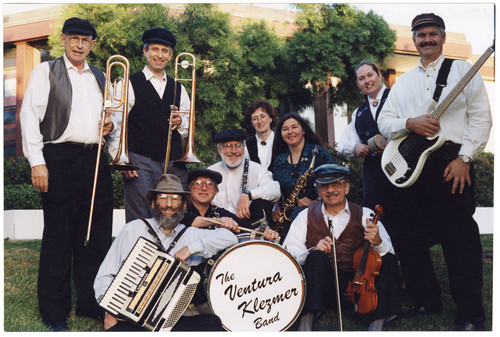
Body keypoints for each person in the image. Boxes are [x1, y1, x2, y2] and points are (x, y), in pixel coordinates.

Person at [377, 13, 492, 330]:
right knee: (408, 238)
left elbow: (481, 119)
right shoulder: (403, 84)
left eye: (432, 34)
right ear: (413, 40)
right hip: (412, 167)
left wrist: (465, 158)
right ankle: (427, 300)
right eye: (420, 35)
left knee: (460, 239)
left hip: (450, 163)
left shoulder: (463, 71)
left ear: (442, 37)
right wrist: (409, 123)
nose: (426, 40)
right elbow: (384, 123)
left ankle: (470, 315)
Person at [19, 17, 113, 331]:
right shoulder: (45, 71)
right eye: (74, 38)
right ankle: (54, 312)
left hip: (94, 159)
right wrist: (37, 162)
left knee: (95, 236)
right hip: (58, 157)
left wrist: (109, 128)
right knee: (59, 237)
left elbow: (108, 123)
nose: (79, 45)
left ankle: (90, 302)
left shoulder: (101, 76)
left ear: (93, 44)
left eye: (86, 40)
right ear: (63, 39)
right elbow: (30, 117)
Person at [94, 174, 238, 331]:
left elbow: (229, 237)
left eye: (175, 199)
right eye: (163, 198)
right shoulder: (134, 229)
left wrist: (190, 248)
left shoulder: (190, 234)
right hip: (129, 318)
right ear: (153, 203)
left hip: (168, 322)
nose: (169, 204)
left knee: (212, 323)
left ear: (184, 206)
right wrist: (110, 312)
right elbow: (105, 275)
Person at [283, 164, 401, 331]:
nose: (330, 190)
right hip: (321, 288)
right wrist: (312, 250)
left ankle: (377, 320)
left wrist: (378, 241)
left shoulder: (366, 214)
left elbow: (390, 253)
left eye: (337, 184)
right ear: (318, 191)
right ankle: (305, 323)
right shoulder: (305, 216)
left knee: (387, 259)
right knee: (315, 257)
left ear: (346, 188)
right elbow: (289, 254)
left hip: (359, 287)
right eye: (324, 186)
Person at [108, 27, 191, 223]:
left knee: (175, 215)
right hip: (140, 161)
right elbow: (115, 124)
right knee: (141, 216)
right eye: (155, 49)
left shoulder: (179, 87)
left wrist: (181, 122)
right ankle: (140, 253)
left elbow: (187, 128)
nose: (159, 55)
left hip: (174, 162)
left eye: (164, 51)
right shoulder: (128, 83)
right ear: (145, 52)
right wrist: (121, 159)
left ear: (170, 56)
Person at [338, 61, 401, 245]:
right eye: (361, 78)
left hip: (401, 167)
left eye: (370, 75)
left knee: (404, 218)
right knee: (375, 220)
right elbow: (344, 144)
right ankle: (382, 262)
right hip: (374, 174)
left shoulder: (397, 98)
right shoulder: (359, 112)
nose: (367, 81)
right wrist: (356, 148)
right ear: (358, 84)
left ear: (379, 75)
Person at [271, 113, 333, 238]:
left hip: (316, 216)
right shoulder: (280, 160)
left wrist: (315, 202)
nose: (290, 132)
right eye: (285, 129)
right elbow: (276, 187)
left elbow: (333, 183)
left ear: (303, 130)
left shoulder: (318, 154)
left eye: (294, 127)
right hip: (287, 219)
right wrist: (276, 205)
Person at [208, 129, 280, 225]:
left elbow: (275, 189)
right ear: (220, 150)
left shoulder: (257, 169)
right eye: (228, 146)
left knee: (262, 202)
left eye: (238, 146)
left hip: (249, 227)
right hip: (218, 226)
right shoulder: (210, 171)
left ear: (244, 148)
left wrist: (248, 195)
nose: (234, 151)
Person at [243, 99, 277, 171]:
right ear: (252, 123)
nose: (259, 121)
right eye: (255, 119)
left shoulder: (282, 141)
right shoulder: (246, 145)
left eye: (263, 116)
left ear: (270, 118)